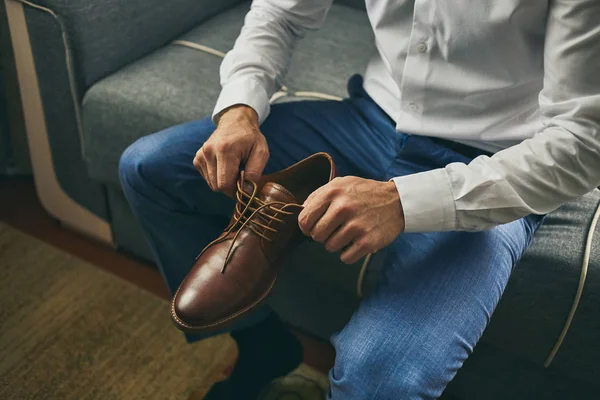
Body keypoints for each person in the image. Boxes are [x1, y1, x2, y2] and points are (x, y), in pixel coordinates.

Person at [118, 0, 600, 398]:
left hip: (490, 161)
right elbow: (280, 13)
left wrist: (402, 201)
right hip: (370, 120)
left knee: (384, 380)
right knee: (149, 167)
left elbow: (581, 143)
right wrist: (239, 110)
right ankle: (262, 344)